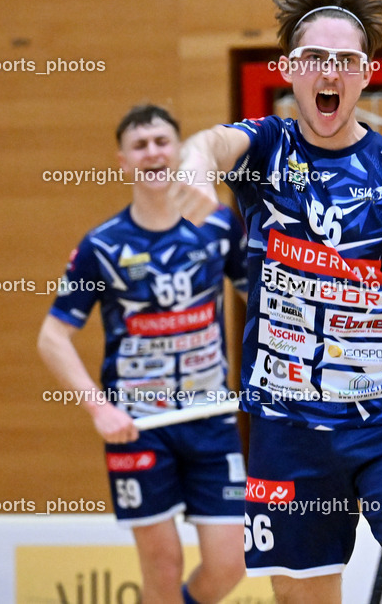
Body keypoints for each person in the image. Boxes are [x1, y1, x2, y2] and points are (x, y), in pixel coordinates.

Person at [169, 0, 382, 604]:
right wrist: (193, 167)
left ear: (364, 74)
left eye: (346, 61)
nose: (329, 71)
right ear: (290, 71)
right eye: (313, 58)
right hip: (287, 432)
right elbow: (208, 146)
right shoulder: (266, 150)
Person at [37, 104, 248, 604]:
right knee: (161, 564)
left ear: (179, 151)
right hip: (138, 426)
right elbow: (52, 337)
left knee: (232, 561)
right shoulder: (102, 246)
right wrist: (99, 408)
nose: (152, 153)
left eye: (161, 142)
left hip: (211, 418)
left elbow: (262, 300)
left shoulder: (219, 227)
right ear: (123, 161)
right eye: (140, 145)